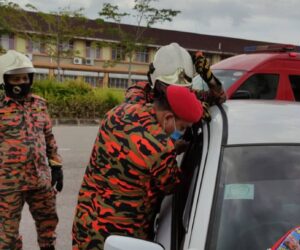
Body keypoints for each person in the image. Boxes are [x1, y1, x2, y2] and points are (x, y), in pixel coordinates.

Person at [72, 85, 203, 249]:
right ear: (168, 117)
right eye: (182, 127)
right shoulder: (160, 148)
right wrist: (173, 151)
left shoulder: (119, 111)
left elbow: (135, 148)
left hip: (85, 223)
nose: (181, 132)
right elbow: (172, 185)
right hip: (118, 235)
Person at [0, 50, 63, 250]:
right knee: (7, 236)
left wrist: (56, 166)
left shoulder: (40, 104)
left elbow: (48, 138)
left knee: (48, 227)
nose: (21, 82)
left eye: (25, 78)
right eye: (15, 78)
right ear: (5, 80)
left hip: (40, 180)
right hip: (8, 183)